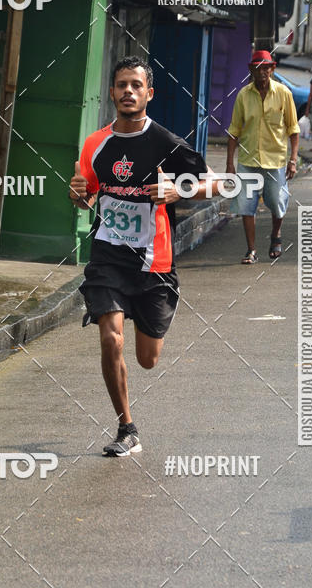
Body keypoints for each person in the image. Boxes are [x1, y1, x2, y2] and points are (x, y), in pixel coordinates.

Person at [68, 56, 222, 457]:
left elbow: (218, 184)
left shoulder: (167, 144)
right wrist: (79, 195)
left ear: (149, 93)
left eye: (136, 85)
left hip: (154, 263)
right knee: (110, 338)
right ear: (113, 92)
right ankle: (127, 427)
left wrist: (178, 191)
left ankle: (143, 315)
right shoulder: (95, 144)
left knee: (148, 359)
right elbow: (87, 195)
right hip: (108, 258)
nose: (128, 92)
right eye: (122, 85)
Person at [225, 49, 300, 264]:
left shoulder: (284, 93)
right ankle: (251, 250)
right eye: (258, 68)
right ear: (251, 70)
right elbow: (234, 131)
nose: (262, 72)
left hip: (275, 161)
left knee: (277, 202)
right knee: (246, 205)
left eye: (266, 68)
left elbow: (293, 130)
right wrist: (230, 164)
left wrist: (293, 160)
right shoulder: (243, 95)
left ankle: (276, 234)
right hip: (248, 161)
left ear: (272, 69)